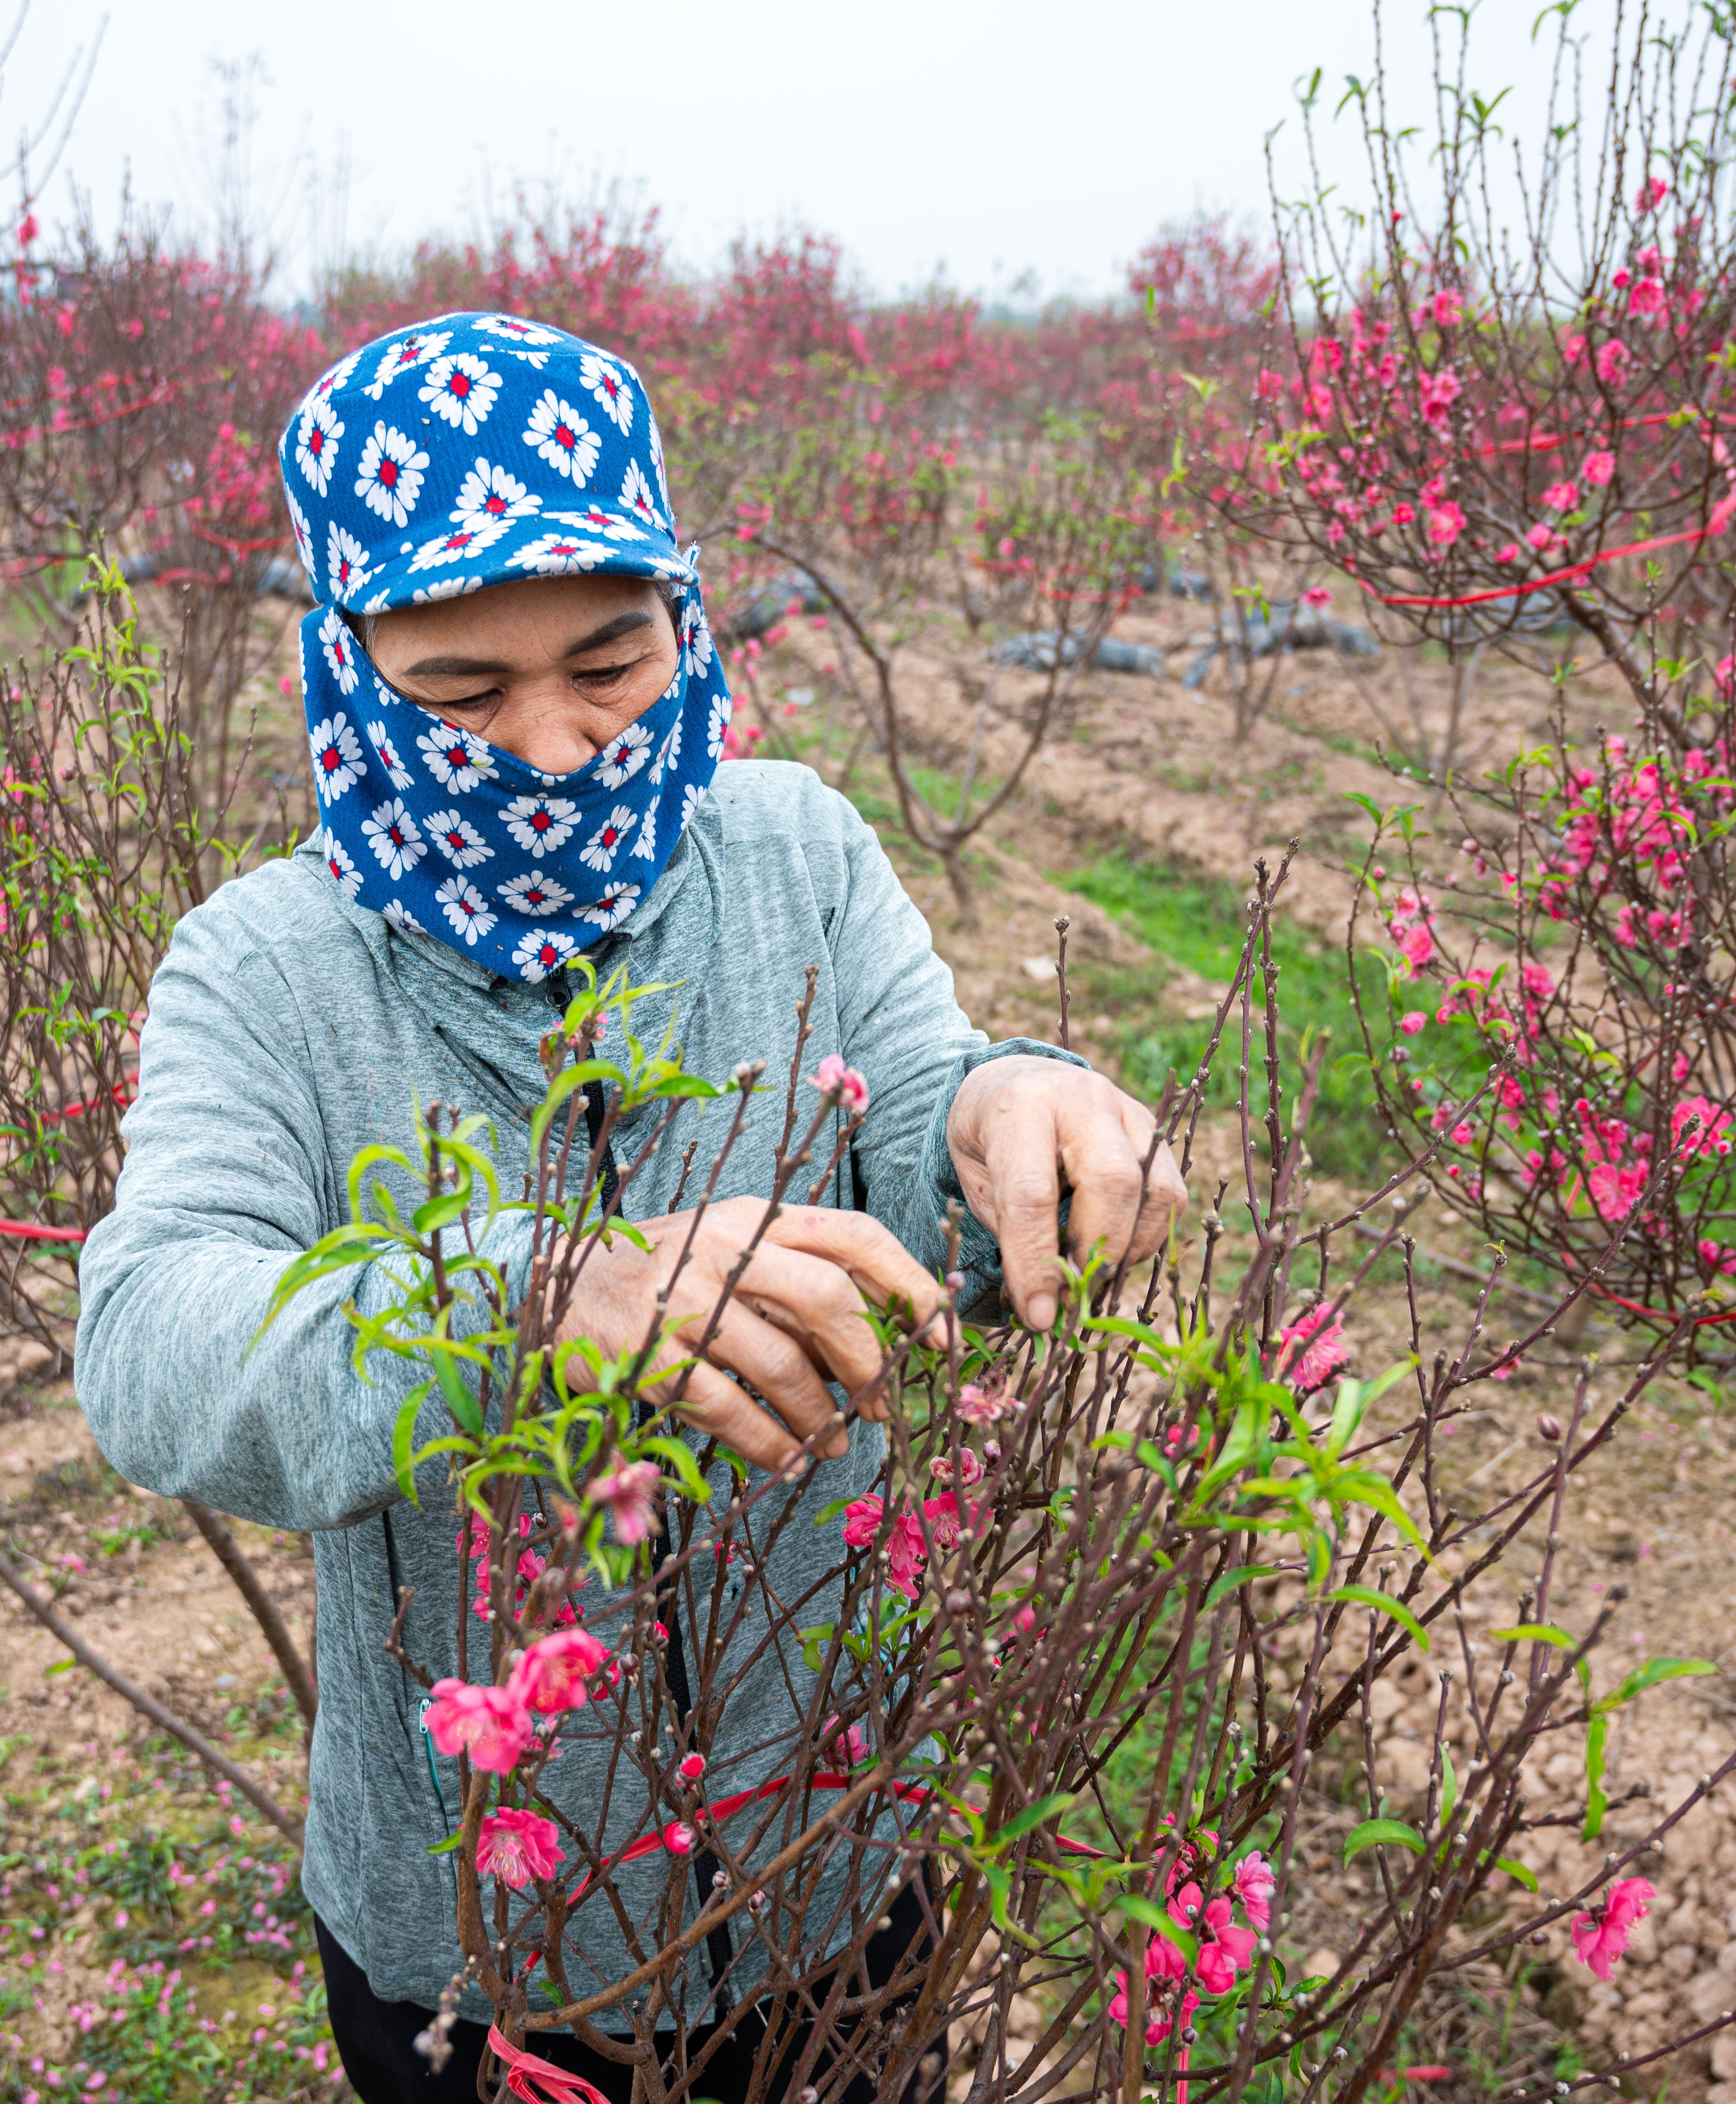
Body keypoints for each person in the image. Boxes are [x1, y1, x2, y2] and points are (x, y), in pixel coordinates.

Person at [75, 312, 1185, 2104]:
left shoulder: (794, 850)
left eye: (611, 660)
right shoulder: (266, 968)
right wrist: (523, 1300)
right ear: (350, 669)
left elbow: (914, 1110)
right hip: (484, 1934)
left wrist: (1007, 1107)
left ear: (686, 613)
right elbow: (151, 1343)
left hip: (830, 1863)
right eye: (461, 693)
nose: (561, 748)